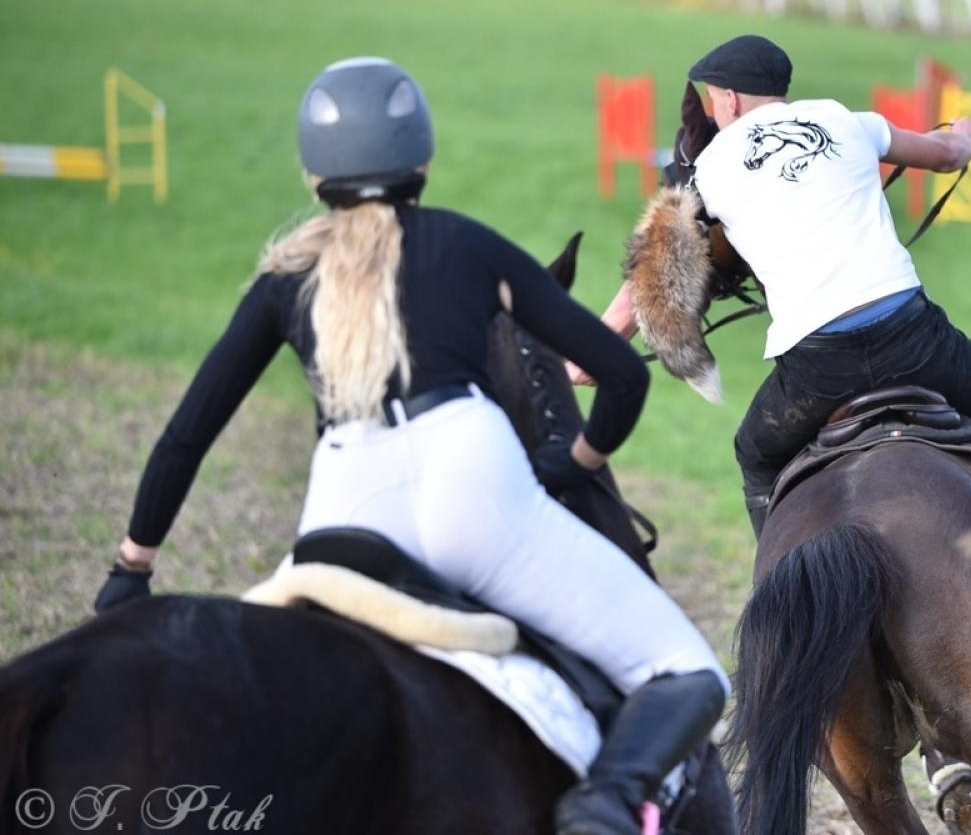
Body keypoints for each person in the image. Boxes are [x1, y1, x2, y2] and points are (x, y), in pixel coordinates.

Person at [91, 58, 727, 835]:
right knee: (684, 666)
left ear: (311, 171)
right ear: (420, 161)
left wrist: (133, 566)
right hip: (473, 481)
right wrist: (575, 463)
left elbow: (187, 434)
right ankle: (604, 804)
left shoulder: (284, 276)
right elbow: (621, 373)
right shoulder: (469, 246)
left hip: (345, 500)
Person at [581, 34, 971, 663]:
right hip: (913, 338)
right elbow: (945, 153)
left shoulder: (711, 170)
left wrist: (584, 355)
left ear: (726, 98)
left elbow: (648, 284)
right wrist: (969, 135)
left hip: (815, 365)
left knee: (754, 453)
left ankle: (784, 635)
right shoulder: (844, 119)